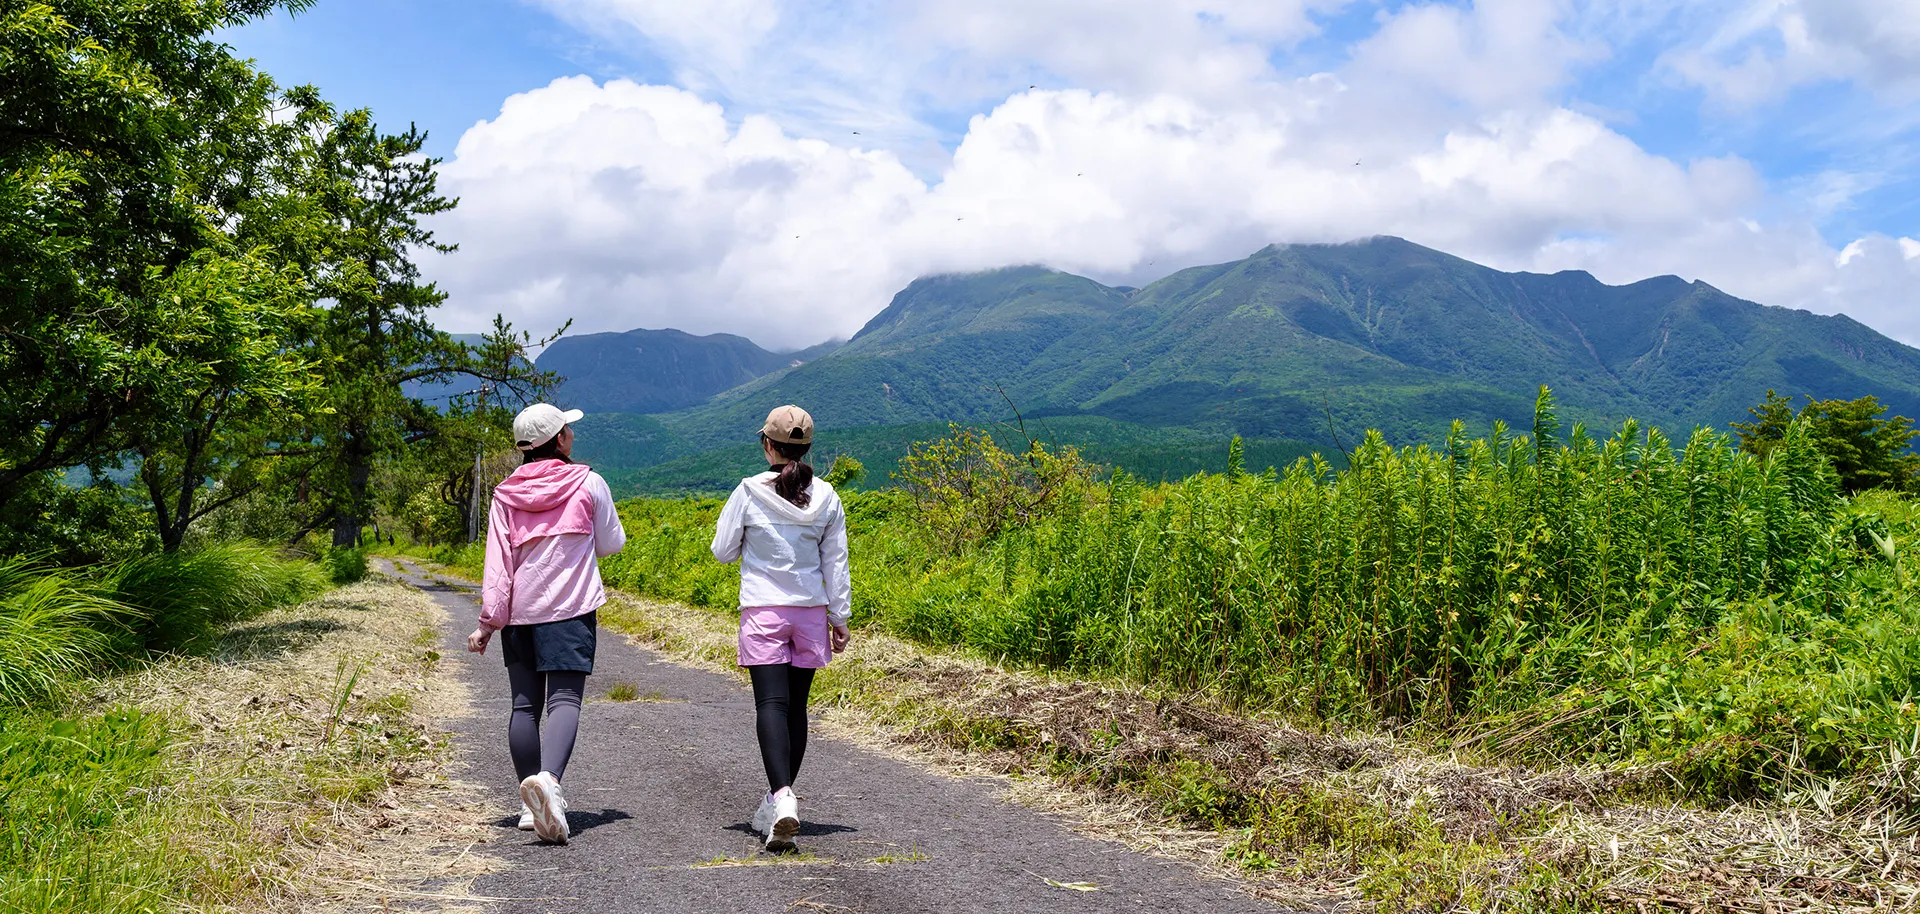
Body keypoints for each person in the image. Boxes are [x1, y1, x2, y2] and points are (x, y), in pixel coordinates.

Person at [467, 403, 627, 845]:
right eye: (567, 428)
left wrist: (488, 622)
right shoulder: (589, 483)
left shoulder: (504, 495)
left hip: (520, 615)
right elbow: (612, 542)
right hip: (570, 611)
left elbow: (498, 568)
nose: (572, 433)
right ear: (558, 441)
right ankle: (549, 785)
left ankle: (528, 804)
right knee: (563, 701)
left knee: (523, 706)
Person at [710, 405, 852, 851]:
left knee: (770, 704)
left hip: (764, 610)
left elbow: (722, 551)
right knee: (797, 707)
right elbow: (837, 560)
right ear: (808, 447)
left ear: (767, 445)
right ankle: (779, 799)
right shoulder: (827, 495)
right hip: (810, 611)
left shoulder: (749, 492)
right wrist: (840, 616)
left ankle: (781, 797)